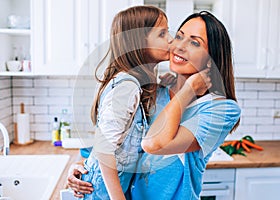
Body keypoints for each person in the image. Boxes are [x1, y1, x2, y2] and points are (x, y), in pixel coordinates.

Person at [68, 10, 240, 200]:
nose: (179, 46)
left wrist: (188, 90)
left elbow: (154, 144)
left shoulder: (221, 109)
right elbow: (110, 141)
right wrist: (82, 170)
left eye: (194, 42)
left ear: (212, 59)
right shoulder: (151, 92)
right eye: (179, 36)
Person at [78, 5, 174, 200]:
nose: (170, 39)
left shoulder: (135, 84)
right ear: (139, 41)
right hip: (103, 193)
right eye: (162, 34)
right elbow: (105, 149)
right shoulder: (126, 87)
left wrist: (159, 87)